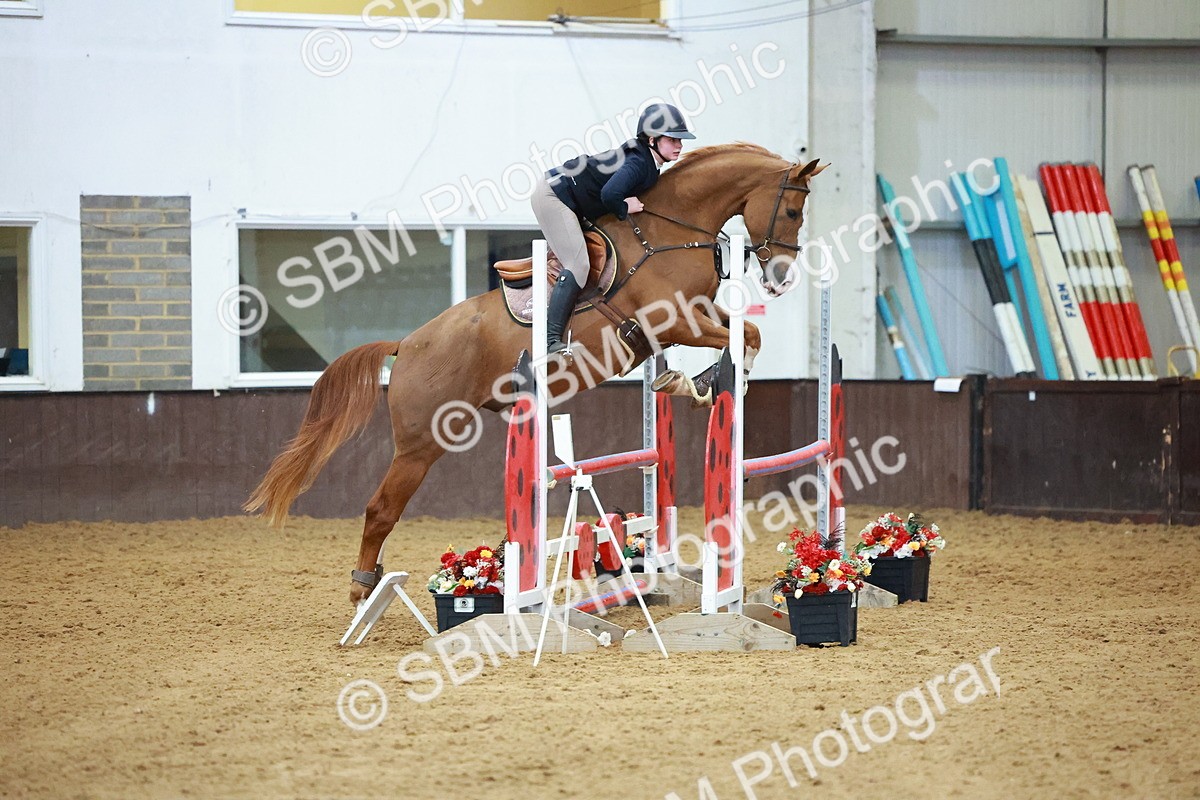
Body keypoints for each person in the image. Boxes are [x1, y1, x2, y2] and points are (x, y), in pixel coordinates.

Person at [531, 103, 696, 355]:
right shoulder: (640, 163)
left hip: (570, 197)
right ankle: (549, 339)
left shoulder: (647, 160)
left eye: (680, 140)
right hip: (554, 196)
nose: (680, 145)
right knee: (579, 264)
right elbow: (610, 195)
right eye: (673, 139)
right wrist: (624, 206)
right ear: (652, 139)